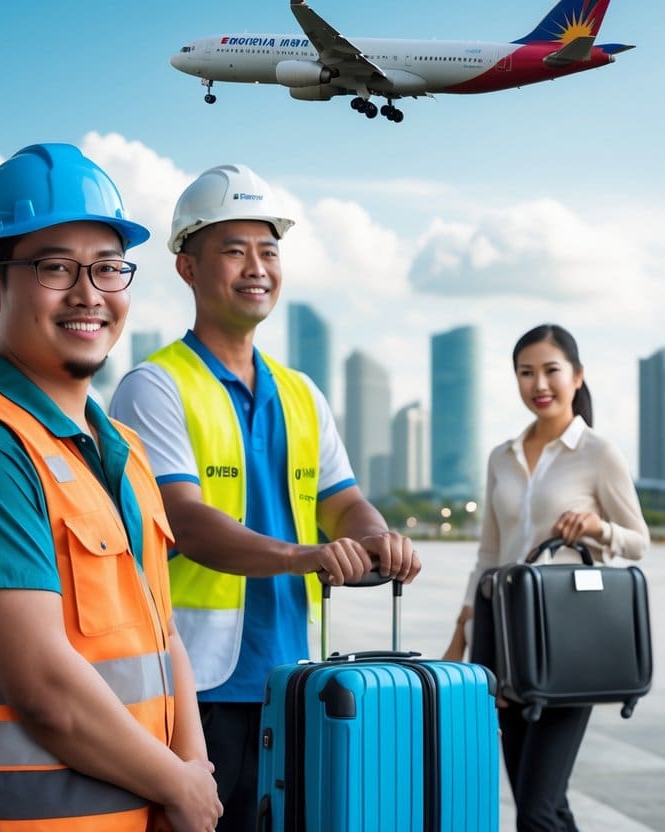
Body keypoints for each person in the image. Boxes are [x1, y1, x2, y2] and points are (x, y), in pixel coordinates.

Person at [0, 143, 221, 832]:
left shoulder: (123, 450)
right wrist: (177, 785)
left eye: (108, 269)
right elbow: (45, 687)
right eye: (54, 269)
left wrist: (189, 777)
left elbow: (164, 640)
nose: (88, 294)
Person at [109, 163, 421, 832]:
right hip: (198, 688)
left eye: (268, 249)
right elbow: (185, 521)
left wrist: (376, 539)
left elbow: (343, 501)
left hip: (296, 679)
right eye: (233, 249)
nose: (256, 266)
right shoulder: (154, 386)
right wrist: (304, 555)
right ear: (187, 268)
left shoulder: (301, 392)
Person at [443, 323, 648, 832]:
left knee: (536, 808)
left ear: (577, 376)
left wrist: (600, 528)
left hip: (568, 645)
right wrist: (460, 636)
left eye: (551, 371)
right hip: (504, 639)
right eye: (525, 372)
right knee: (546, 806)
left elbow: (638, 540)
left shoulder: (598, 453)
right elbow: (489, 553)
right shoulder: (501, 457)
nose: (539, 384)